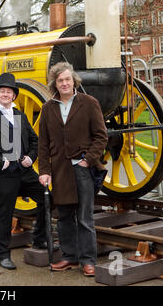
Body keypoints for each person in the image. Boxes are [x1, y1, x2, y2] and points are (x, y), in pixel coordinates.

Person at [37, 62, 108, 277]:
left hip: (82, 168)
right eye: (60, 81)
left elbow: (101, 136)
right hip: (59, 171)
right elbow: (43, 143)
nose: (65, 83)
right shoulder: (48, 108)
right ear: (55, 84)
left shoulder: (88, 103)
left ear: (74, 80)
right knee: (64, 216)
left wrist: (88, 160)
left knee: (85, 218)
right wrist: (44, 171)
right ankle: (69, 257)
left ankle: (88, 260)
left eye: (67, 79)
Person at [0, 72, 48, 270]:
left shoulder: (21, 116)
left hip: (24, 171)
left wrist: (30, 158)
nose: (5, 94)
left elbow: (35, 141)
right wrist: (1, 163)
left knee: (47, 197)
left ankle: (39, 239)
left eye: (9, 92)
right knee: (4, 214)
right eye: (2, 91)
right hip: (4, 173)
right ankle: (3, 255)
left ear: (14, 96)